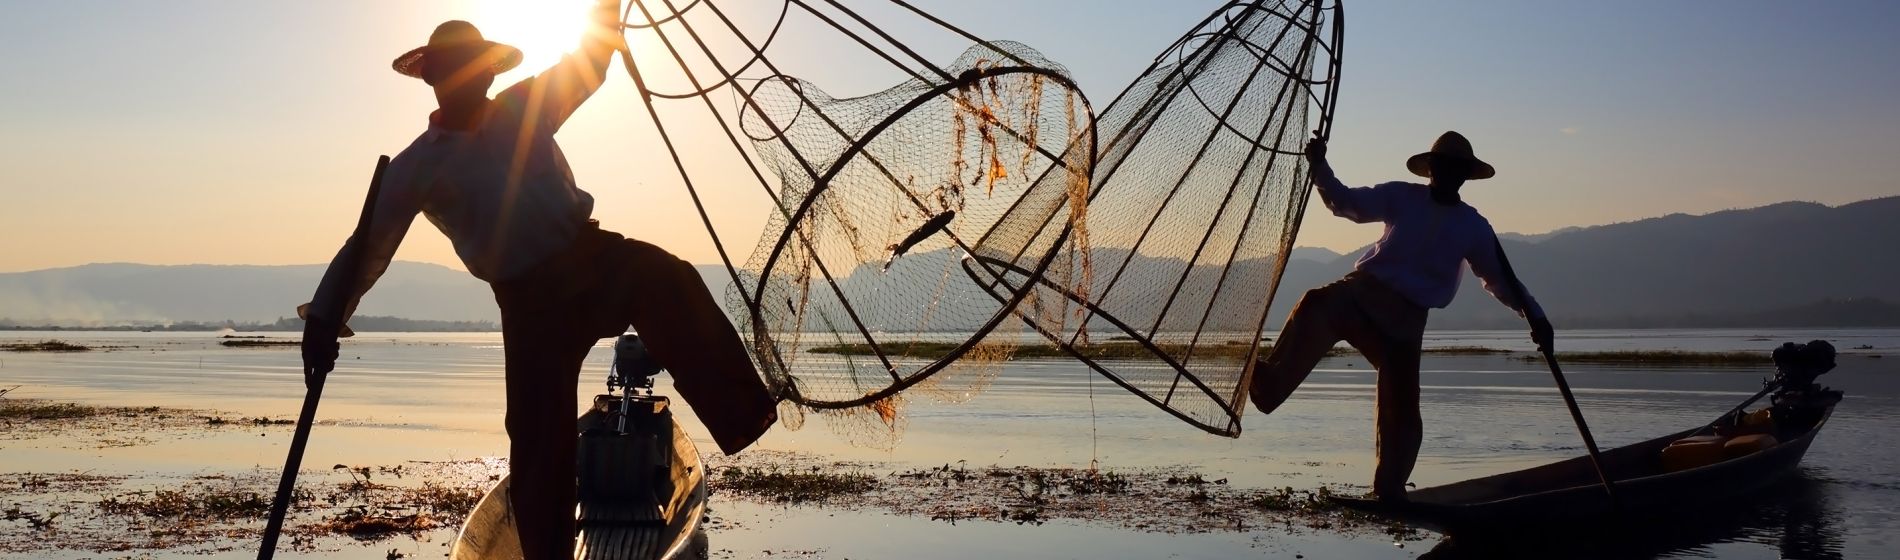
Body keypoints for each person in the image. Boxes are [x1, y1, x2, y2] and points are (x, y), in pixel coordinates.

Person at [298, 3, 776, 556]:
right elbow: (368, 247)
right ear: (431, 77)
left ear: (488, 71)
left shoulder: (522, 105)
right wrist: (326, 319)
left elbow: (590, 62)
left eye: (472, 66)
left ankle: (743, 413)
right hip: (528, 303)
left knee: (669, 279)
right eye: (450, 67)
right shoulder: (416, 166)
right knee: (536, 437)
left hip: (592, 259)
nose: (463, 76)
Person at [1249, 131, 1554, 501]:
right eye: (1442, 166)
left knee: (1403, 410)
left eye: (1456, 169)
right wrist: (1319, 166)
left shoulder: (1473, 227)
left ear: (1464, 176)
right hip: (1360, 294)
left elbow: (1502, 281)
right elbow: (1347, 203)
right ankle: (1265, 383)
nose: (1447, 173)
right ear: (1431, 169)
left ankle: (1389, 489)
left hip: (1404, 323)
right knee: (1314, 304)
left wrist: (1535, 317)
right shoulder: (1403, 197)